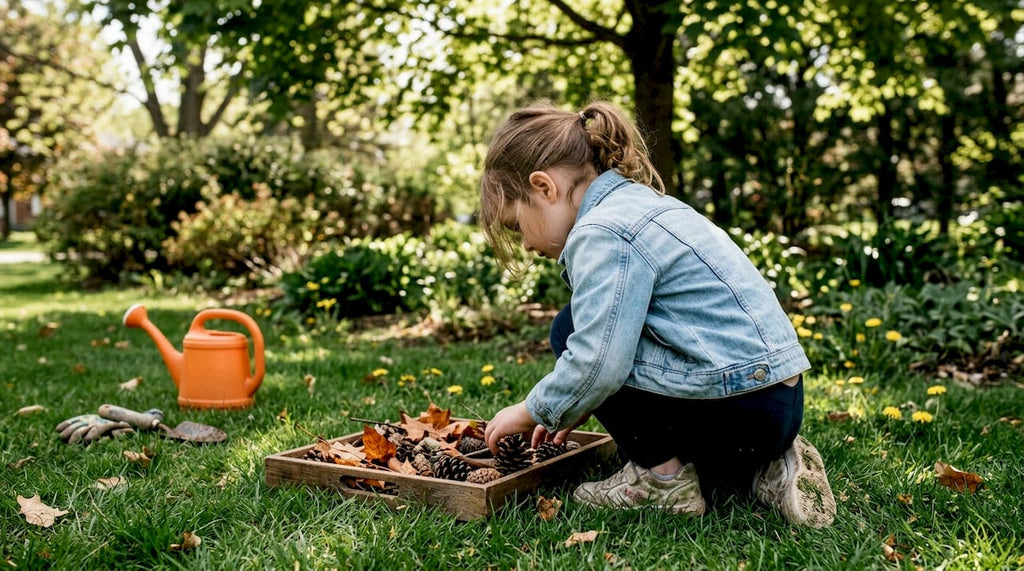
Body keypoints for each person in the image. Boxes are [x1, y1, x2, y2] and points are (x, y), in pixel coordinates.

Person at [479, 100, 837, 528]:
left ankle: (661, 481)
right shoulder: (648, 204)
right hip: (778, 404)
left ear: (544, 187)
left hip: (733, 411)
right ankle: (771, 464)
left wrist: (531, 409)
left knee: (568, 328)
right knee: (593, 335)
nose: (524, 244)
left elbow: (598, 361)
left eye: (516, 225)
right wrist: (577, 404)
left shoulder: (602, 231)